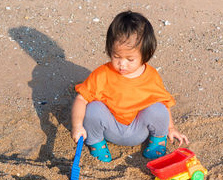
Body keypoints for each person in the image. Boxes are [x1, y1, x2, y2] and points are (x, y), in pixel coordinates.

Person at [71, 11, 189, 162]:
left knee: (158, 108)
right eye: (116, 56)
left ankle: (157, 142)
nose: (122, 64)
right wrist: (77, 126)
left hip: (139, 130)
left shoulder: (151, 76)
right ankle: (96, 143)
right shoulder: (102, 74)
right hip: (110, 128)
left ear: (146, 54)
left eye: (130, 59)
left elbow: (164, 104)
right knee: (93, 108)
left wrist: (171, 129)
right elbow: (81, 99)